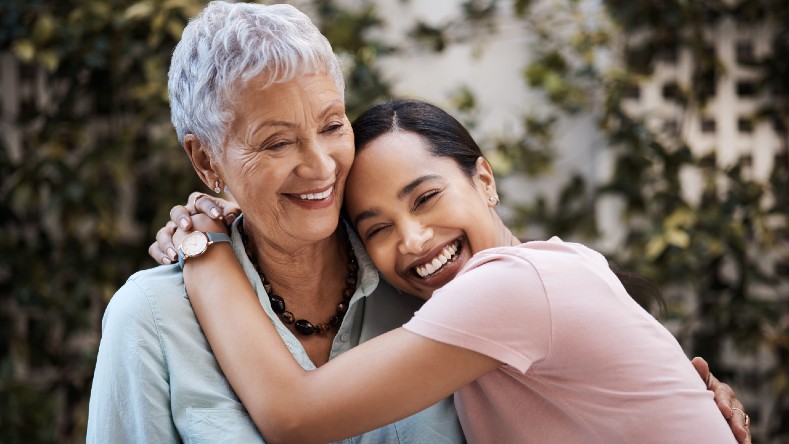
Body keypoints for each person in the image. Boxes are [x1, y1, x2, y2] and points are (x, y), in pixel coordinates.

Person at [162, 99, 751, 443]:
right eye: (377, 229)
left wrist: (206, 246)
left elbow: (293, 417)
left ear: (484, 180)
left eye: (425, 198)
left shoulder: (510, 288)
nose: (414, 240)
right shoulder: (552, 267)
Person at [86, 3, 462, 442]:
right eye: (277, 142)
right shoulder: (150, 319)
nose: (320, 167)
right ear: (206, 160)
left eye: (332, 125)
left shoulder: (421, 274)